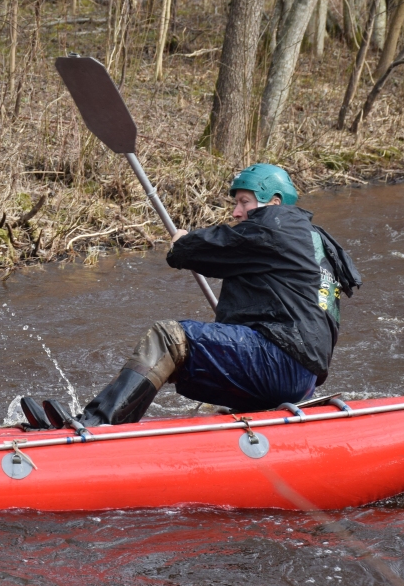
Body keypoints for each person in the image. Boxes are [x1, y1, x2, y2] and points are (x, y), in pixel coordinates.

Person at [21, 163, 361, 429]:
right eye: (236, 203)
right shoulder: (314, 241)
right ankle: (125, 420)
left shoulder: (276, 224)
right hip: (302, 381)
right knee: (181, 359)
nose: (236, 212)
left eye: (244, 202)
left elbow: (204, 250)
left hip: (278, 363)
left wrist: (182, 243)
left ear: (273, 202)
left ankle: (98, 425)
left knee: (170, 339)